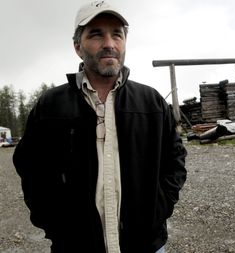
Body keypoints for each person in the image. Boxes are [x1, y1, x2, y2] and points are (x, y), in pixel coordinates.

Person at [13, 1, 187, 252]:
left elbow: (175, 160)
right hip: (74, 246)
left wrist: (159, 208)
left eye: (117, 34)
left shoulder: (151, 102)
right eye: (96, 34)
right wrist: (53, 222)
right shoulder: (50, 106)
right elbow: (30, 167)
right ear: (77, 46)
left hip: (145, 245)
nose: (109, 43)